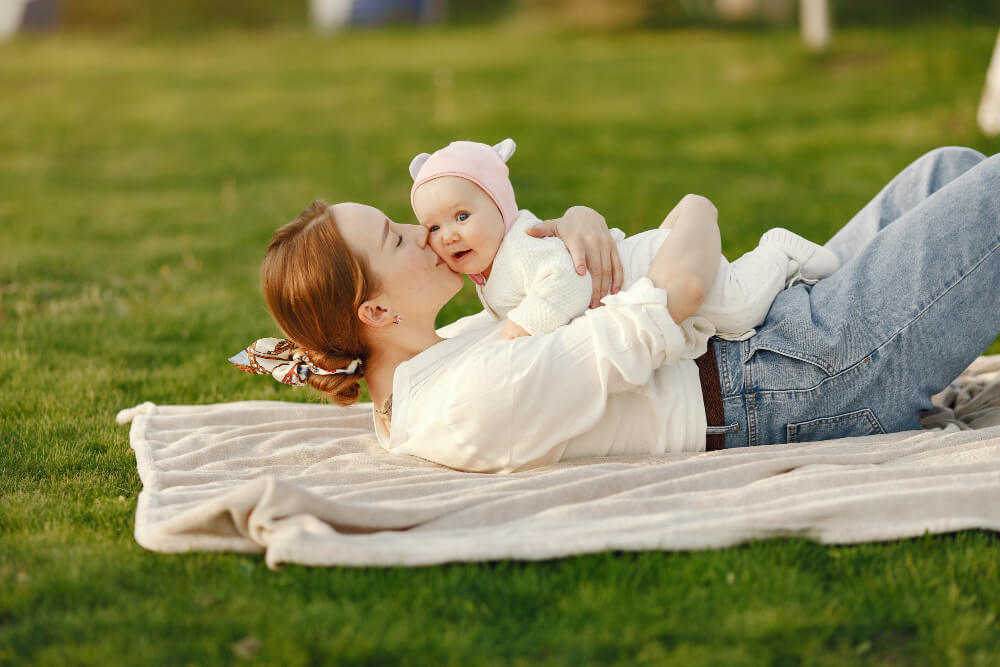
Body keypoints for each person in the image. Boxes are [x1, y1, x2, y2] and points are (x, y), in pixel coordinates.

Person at [232, 147, 1000, 474]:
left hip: (764, 344)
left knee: (949, 171)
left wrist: (577, 222)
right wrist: (695, 210)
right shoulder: (465, 401)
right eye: (401, 238)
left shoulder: (443, 354)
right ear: (374, 308)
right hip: (802, 376)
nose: (427, 234)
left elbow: (571, 293)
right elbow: (673, 299)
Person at [409, 138, 840, 340]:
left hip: (655, 268)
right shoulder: (489, 272)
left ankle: (776, 252)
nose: (448, 235)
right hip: (646, 283)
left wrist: (520, 330)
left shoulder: (522, 245)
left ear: (501, 209)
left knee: (739, 307)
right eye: (434, 227)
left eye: (462, 216)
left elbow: (568, 282)